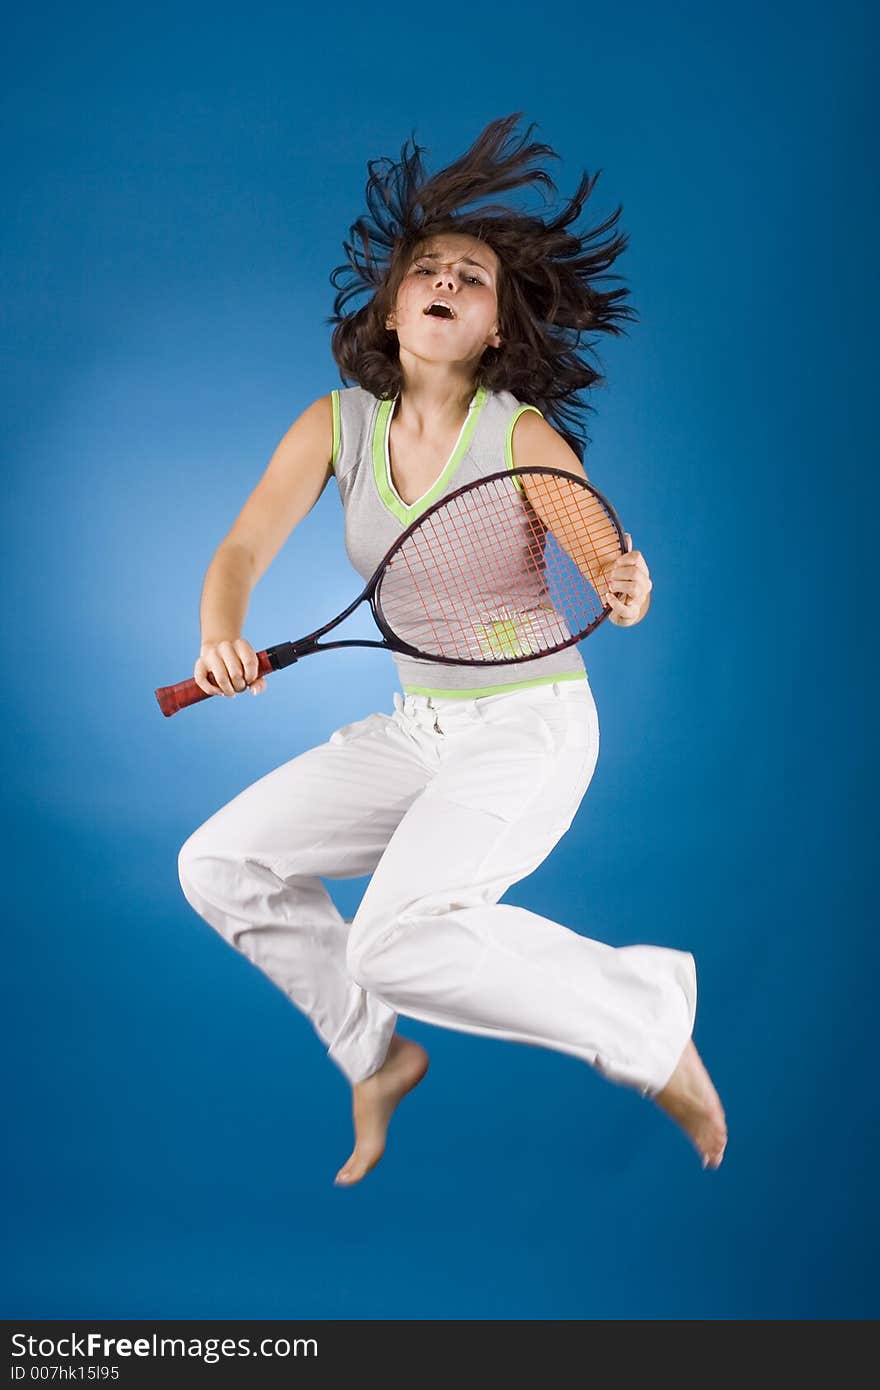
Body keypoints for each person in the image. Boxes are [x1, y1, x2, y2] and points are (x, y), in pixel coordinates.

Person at [176, 114, 727, 1185]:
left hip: (528, 728)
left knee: (395, 936)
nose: (442, 281)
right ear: (390, 312)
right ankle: (372, 1053)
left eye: (469, 279)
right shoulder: (334, 424)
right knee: (219, 864)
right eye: (423, 269)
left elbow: (603, 549)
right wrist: (218, 633)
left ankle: (648, 1020)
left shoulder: (518, 433)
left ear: (493, 328)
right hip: (417, 731)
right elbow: (242, 545)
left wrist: (626, 578)